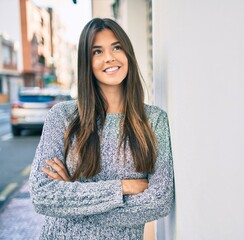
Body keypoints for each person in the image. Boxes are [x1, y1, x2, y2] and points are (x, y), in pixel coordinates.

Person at [29, 18, 174, 239]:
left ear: (128, 54)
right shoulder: (62, 117)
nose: (109, 58)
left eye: (117, 47)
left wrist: (74, 198)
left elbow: (159, 202)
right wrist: (123, 187)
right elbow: (42, 194)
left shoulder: (154, 120)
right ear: (86, 62)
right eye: (97, 52)